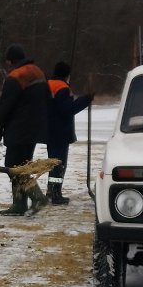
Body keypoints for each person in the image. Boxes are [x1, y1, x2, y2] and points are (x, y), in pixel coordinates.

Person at [0, 44, 50, 216]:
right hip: (34, 128)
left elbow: (5, 106)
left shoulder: (16, 77)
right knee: (21, 166)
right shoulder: (38, 72)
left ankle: (37, 197)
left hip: (19, 128)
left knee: (13, 167)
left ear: (11, 61)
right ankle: (19, 205)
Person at [46, 61, 94, 204]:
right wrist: (85, 100)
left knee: (52, 163)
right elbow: (67, 109)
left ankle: (51, 190)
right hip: (60, 132)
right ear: (67, 75)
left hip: (49, 131)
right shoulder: (62, 87)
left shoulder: (48, 85)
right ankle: (55, 194)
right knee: (58, 164)